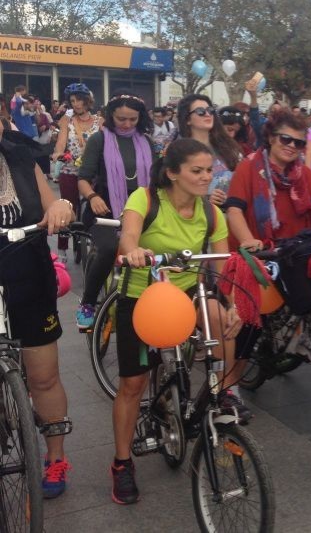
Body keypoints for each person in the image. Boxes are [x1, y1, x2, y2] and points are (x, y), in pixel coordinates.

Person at [110, 138, 233, 505]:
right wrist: (133, 251)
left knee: (220, 316)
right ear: (172, 173)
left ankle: (220, 392)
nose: (206, 178)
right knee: (133, 384)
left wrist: (234, 304)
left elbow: (223, 269)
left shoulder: (212, 213)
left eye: (209, 170)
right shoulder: (145, 200)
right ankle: (121, 463)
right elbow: (127, 238)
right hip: (142, 295)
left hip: (187, 293)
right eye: (197, 171)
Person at [224, 112, 311, 392]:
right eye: (285, 139)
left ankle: (303, 339)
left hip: (291, 252)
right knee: (249, 326)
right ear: (270, 137)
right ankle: (230, 387)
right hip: (257, 255)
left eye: (299, 143)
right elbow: (234, 209)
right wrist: (247, 241)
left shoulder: (303, 173)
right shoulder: (249, 168)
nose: (291, 146)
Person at [0, 123, 76, 498]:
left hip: (29, 278)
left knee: (44, 377)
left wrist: (62, 206)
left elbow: (53, 204)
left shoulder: (21, 156)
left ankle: (56, 458)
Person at [76, 92, 155, 329]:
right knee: (109, 248)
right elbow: (83, 179)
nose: (127, 124)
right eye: (122, 119)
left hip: (141, 211)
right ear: (111, 116)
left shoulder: (146, 141)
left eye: (133, 119)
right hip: (106, 211)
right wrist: (92, 197)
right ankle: (88, 303)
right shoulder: (99, 140)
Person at [51, 83, 103, 257]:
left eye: (79, 100)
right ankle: (63, 249)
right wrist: (58, 153)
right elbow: (61, 142)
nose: (76, 104)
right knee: (67, 208)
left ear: (87, 101)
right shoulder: (66, 120)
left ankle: (94, 240)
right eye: (72, 101)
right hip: (71, 170)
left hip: (93, 174)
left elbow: (107, 145)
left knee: (97, 208)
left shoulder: (100, 121)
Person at [175, 94, 242, 208]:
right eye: (200, 111)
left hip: (231, 214)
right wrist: (206, 198)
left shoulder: (229, 147)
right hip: (199, 217)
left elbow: (242, 180)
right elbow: (174, 191)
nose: (207, 114)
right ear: (187, 119)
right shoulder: (179, 151)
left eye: (210, 110)